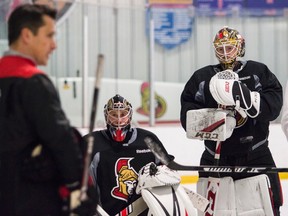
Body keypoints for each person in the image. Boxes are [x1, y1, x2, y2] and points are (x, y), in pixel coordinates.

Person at [0, 4, 96, 216]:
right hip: (30, 200)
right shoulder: (33, 82)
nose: (54, 45)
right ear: (27, 35)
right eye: (49, 35)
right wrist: (79, 188)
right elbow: (61, 141)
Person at [180, 26, 283, 215]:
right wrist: (214, 122)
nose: (225, 53)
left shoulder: (257, 72)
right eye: (221, 49)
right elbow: (187, 118)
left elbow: (274, 107)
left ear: (240, 47)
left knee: (267, 208)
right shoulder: (202, 78)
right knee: (214, 210)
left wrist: (250, 101)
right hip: (214, 158)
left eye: (230, 47)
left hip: (256, 155)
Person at [85, 94, 172, 215]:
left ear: (129, 116)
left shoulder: (148, 140)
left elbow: (169, 172)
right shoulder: (92, 143)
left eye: (123, 115)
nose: (119, 120)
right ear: (107, 117)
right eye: (114, 115)